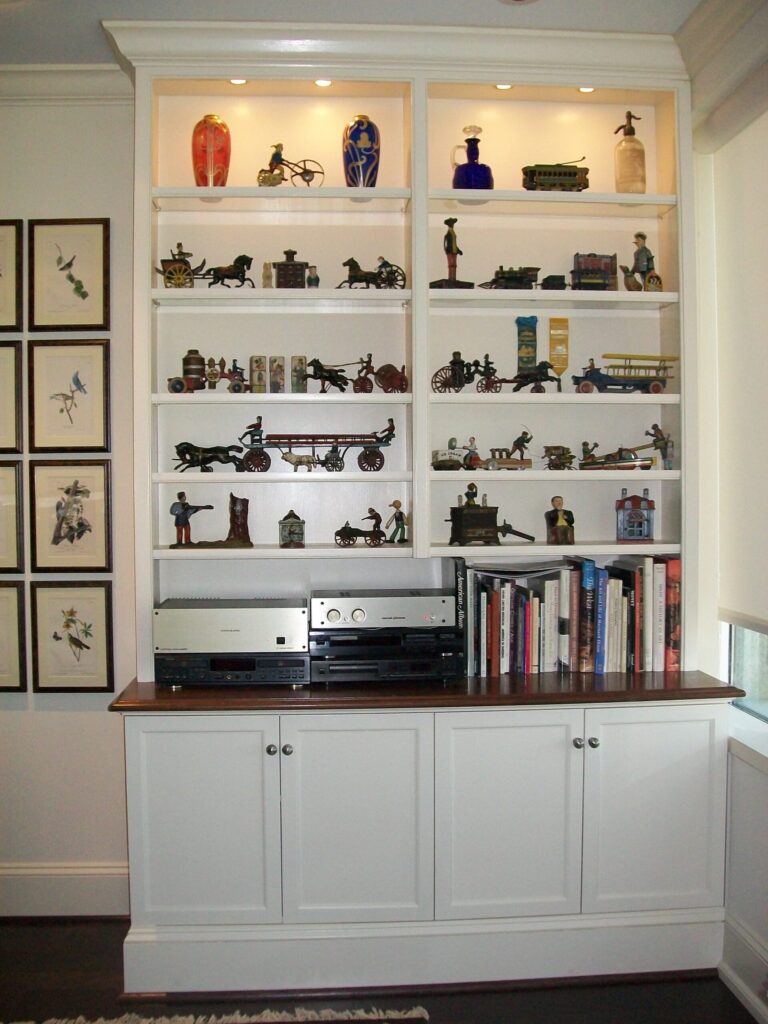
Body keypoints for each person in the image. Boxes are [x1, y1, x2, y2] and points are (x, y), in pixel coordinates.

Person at [443, 217, 462, 282]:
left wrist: (458, 250)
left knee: (454, 265)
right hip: (450, 251)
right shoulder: (448, 233)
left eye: (453, 223)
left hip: (454, 251)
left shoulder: (453, 233)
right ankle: (450, 278)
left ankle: (453, 278)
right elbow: (445, 243)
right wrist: (446, 250)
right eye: (451, 223)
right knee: (451, 265)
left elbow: (454, 243)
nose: (452, 225)